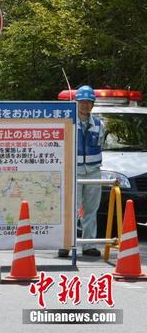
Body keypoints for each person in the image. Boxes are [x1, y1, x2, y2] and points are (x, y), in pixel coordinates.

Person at [59, 85, 104, 258]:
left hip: (93, 172)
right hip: (73, 171)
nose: (85, 105)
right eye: (82, 102)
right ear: (76, 102)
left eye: (88, 102)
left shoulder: (99, 124)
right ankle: (66, 244)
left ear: (93, 104)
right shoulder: (68, 123)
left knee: (91, 209)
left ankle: (88, 245)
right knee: (72, 209)